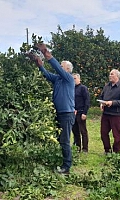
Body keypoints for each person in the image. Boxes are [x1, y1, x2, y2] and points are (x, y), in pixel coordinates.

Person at [26, 44, 75, 175]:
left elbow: (56, 68)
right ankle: (64, 160)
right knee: (60, 139)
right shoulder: (58, 79)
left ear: (67, 69)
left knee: (64, 140)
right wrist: (39, 64)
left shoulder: (69, 79)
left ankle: (67, 166)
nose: (60, 67)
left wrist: (47, 54)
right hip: (59, 113)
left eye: (62, 66)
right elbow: (47, 75)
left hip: (67, 113)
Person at [99, 69, 120, 154]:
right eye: (109, 74)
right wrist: (101, 104)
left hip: (116, 114)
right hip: (106, 113)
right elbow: (102, 96)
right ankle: (107, 150)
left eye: (112, 74)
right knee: (103, 133)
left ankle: (116, 151)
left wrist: (112, 103)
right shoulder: (107, 86)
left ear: (117, 76)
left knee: (116, 134)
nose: (110, 76)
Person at [72, 73, 90, 153]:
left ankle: (85, 148)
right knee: (75, 131)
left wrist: (85, 112)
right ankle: (77, 147)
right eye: (72, 79)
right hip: (73, 112)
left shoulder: (83, 88)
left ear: (79, 79)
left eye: (75, 78)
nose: (74, 80)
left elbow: (87, 100)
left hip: (81, 112)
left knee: (83, 131)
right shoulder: (71, 88)